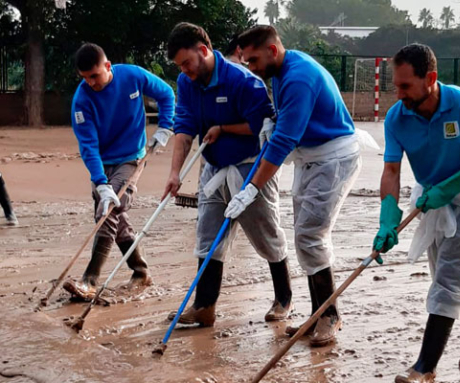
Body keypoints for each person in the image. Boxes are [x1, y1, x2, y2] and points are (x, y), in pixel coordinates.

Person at [372, 43, 460, 383]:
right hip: (430, 192)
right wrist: (388, 215)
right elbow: (391, 170)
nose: (396, 94)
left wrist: (451, 188)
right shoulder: (398, 117)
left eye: (404, 86)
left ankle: (424, 368)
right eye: (394, 85)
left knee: (449, 278)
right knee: (451, 273)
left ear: (430, 77)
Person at [231, 25, 361, 347]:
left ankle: (329, 316)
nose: (250, 67)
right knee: (305, 234)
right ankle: (318, 316)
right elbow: (284, 124)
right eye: (246, 61)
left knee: (310, 235)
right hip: (310, 156)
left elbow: (283, 143)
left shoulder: (298, 76)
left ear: (272, 51)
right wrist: (272, 121)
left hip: (333, 157)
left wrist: (251, 188)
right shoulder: (279, 70)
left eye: (253, 60)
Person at [163, 22, 292, 327]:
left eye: (186, 63)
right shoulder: (187, 82)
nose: (184, 71)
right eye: (179, 66)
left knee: (266, 233)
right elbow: (184, 128)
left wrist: (223, 128)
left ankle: (283, 297)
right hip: (214, 167)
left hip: (251, 166)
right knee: (208, 236)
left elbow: (263, 127)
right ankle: (205, 306)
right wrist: (174, 172)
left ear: (203, 51)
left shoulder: (244, 82)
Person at [63, 43, 175, 300]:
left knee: (110, 210)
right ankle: (141, 271)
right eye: (85, 78)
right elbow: (88, 146)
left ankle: (89, 281)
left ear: (107, 66)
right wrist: (100, 183)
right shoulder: (82, 100)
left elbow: (167, 94)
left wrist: (165, 127)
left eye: (95, 76)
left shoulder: (132, 75)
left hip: (131, 158)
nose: (91, 83)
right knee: (115, 216)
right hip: (101, 162)